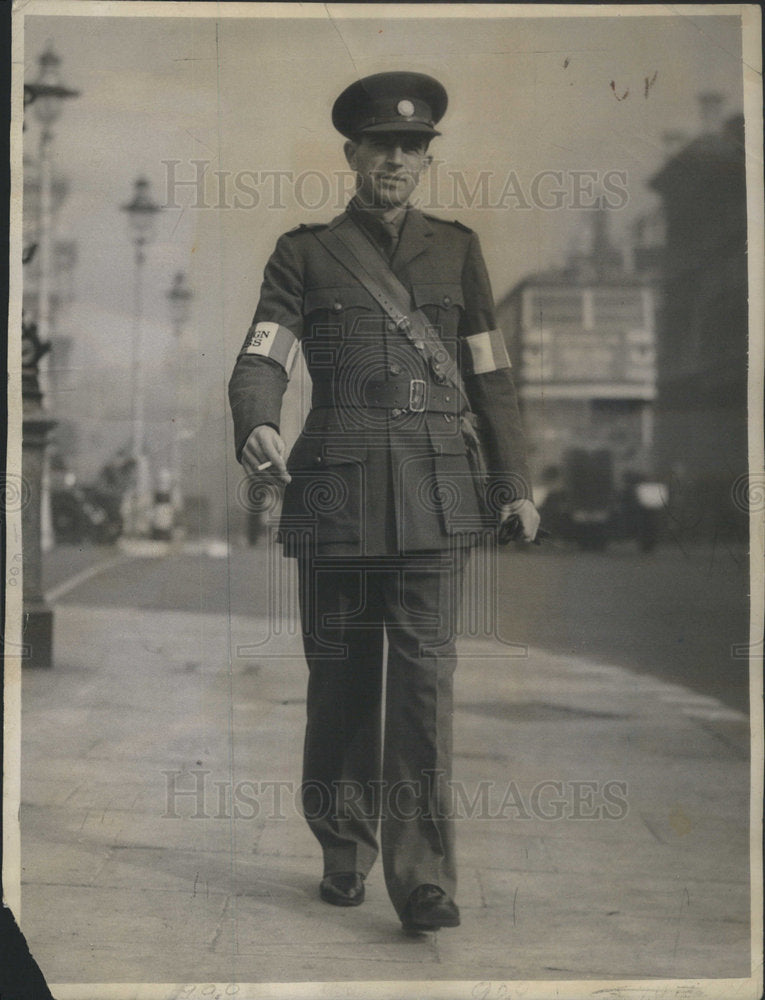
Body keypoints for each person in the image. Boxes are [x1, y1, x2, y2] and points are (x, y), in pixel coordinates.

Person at [229, 70, 540, 932]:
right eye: (382, 146)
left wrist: (512, 483)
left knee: (423, 691)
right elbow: (264, 352)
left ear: (424, 159)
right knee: (339, 682)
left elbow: (489, 375)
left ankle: (424, 879)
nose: (397, 159)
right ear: (352, 155)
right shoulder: (304, 253)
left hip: (437, 494)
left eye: (412, 147)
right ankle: (341, 845)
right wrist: (255, 420)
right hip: (335, 491)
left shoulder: (457, 249)